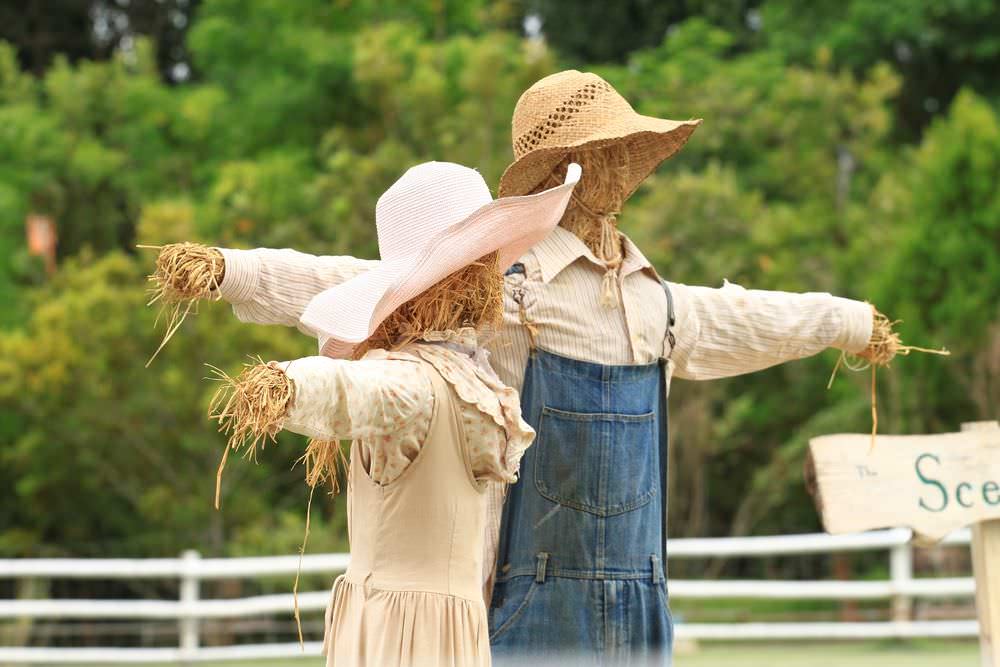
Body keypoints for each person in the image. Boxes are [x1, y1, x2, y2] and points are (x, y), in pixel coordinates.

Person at [155, 71, 901, 665]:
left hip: (643, 600)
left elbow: (752, 318)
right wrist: (231, 271)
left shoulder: (659, 303)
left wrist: (850, 322)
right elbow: (358, 279)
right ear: (564, 169)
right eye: (604, 150)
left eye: (627, 148)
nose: (622, 164)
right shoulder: (507, 287)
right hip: (527, 601)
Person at [198, 160, 580, 667]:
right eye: (482, 261)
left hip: (432, 620)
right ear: (459, 278)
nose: (496, 272)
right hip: (405, 633)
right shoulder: (415, 380)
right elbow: (356, 391)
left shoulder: (462, 375)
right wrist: (287, 385)